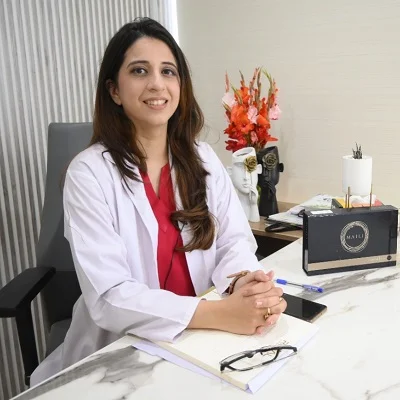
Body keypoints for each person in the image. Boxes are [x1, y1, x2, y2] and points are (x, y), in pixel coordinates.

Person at [30, 17, 287, 386]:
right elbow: (110, 296)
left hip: (204, 341)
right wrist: (221, 314)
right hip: (123, 353)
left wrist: (246, 287)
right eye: (139, 70)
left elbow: (234, 241)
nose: (156, 83)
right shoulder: (88, 173)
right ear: (114, 90)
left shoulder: (201, 159)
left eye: (168, 71)